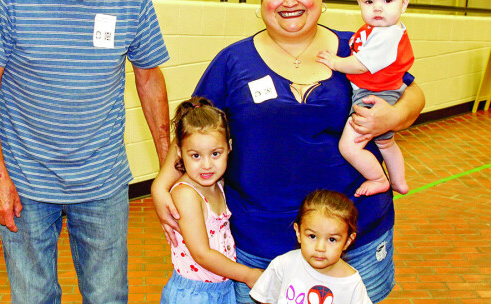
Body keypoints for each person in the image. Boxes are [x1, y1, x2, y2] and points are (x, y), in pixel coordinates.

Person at [152, 0, 425, 303]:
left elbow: (412, 92)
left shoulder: (358, 45)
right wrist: (160, 184)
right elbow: (195, 126)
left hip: (353, 238)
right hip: (260, 246)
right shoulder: (232, 61)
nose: (290, 2)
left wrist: (394, 117)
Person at [0, 0, 170, 303]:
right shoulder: (8, 3)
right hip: (26, 181)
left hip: (103, 179)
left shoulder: (133, 3)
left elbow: (149, 78)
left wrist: (169, 167)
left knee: (108, 296)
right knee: (32, 297)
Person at [160, 97, 263, 304]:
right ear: (179, 152)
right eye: (196, 156)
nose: (207, 165)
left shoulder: (218, 184)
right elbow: (201, 254)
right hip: (194, 295)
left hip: (222, 290)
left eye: (215, 153)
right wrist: (248, 275)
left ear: (229, 148)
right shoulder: (186, 194)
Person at [316, 0, 413, 197]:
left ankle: (378, 178)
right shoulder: (379, 30)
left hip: (373, 95)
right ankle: (399, 181)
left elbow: (360, 65)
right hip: (385, 90)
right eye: (369, 2)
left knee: (349, 147)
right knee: (386, 143)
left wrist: (335, 62)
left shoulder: (387, 35)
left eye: (387, 1)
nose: (377, 7)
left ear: (404, 5)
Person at [250, 190, 372, 304]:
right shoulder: (284, 264)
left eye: (332, 239)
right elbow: (266, 298)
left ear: (347, 241)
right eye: (312, 236)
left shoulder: (352, 284)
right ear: (298, 233)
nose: (320, 248)